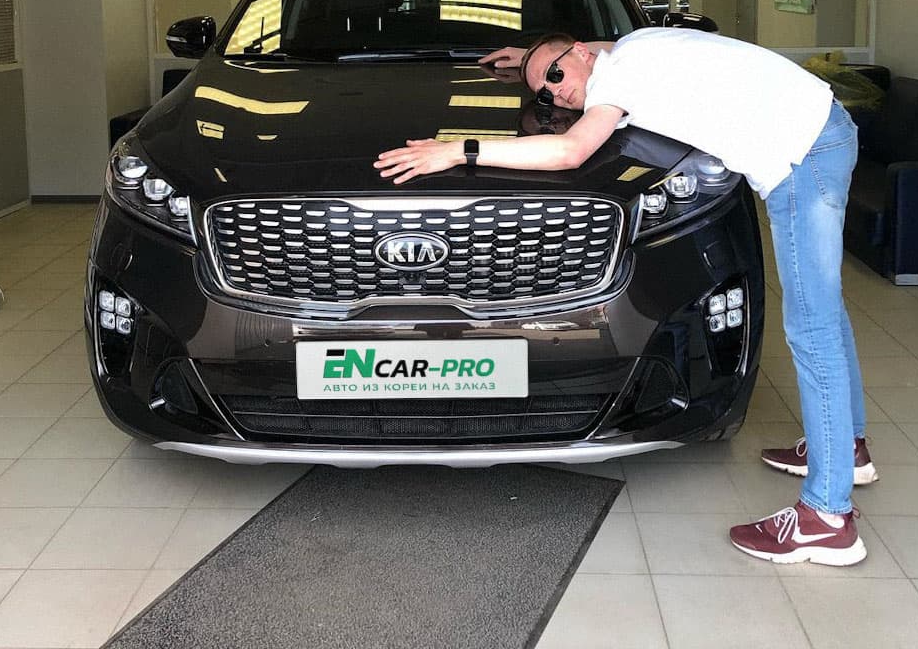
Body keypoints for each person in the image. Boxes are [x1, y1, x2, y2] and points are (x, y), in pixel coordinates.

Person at [374, 28, 876, 567]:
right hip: (822, 127)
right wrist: (535, 60)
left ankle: (827, 519)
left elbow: (569, 151)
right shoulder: (633, 47)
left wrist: (457, 150)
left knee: (812, 327)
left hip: (804, 153)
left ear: (581, 53)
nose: (557, 92)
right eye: (544, 91)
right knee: (825, 313)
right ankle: (847, 449)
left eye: (558, 75)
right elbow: (596, 49)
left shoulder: (619, 80)